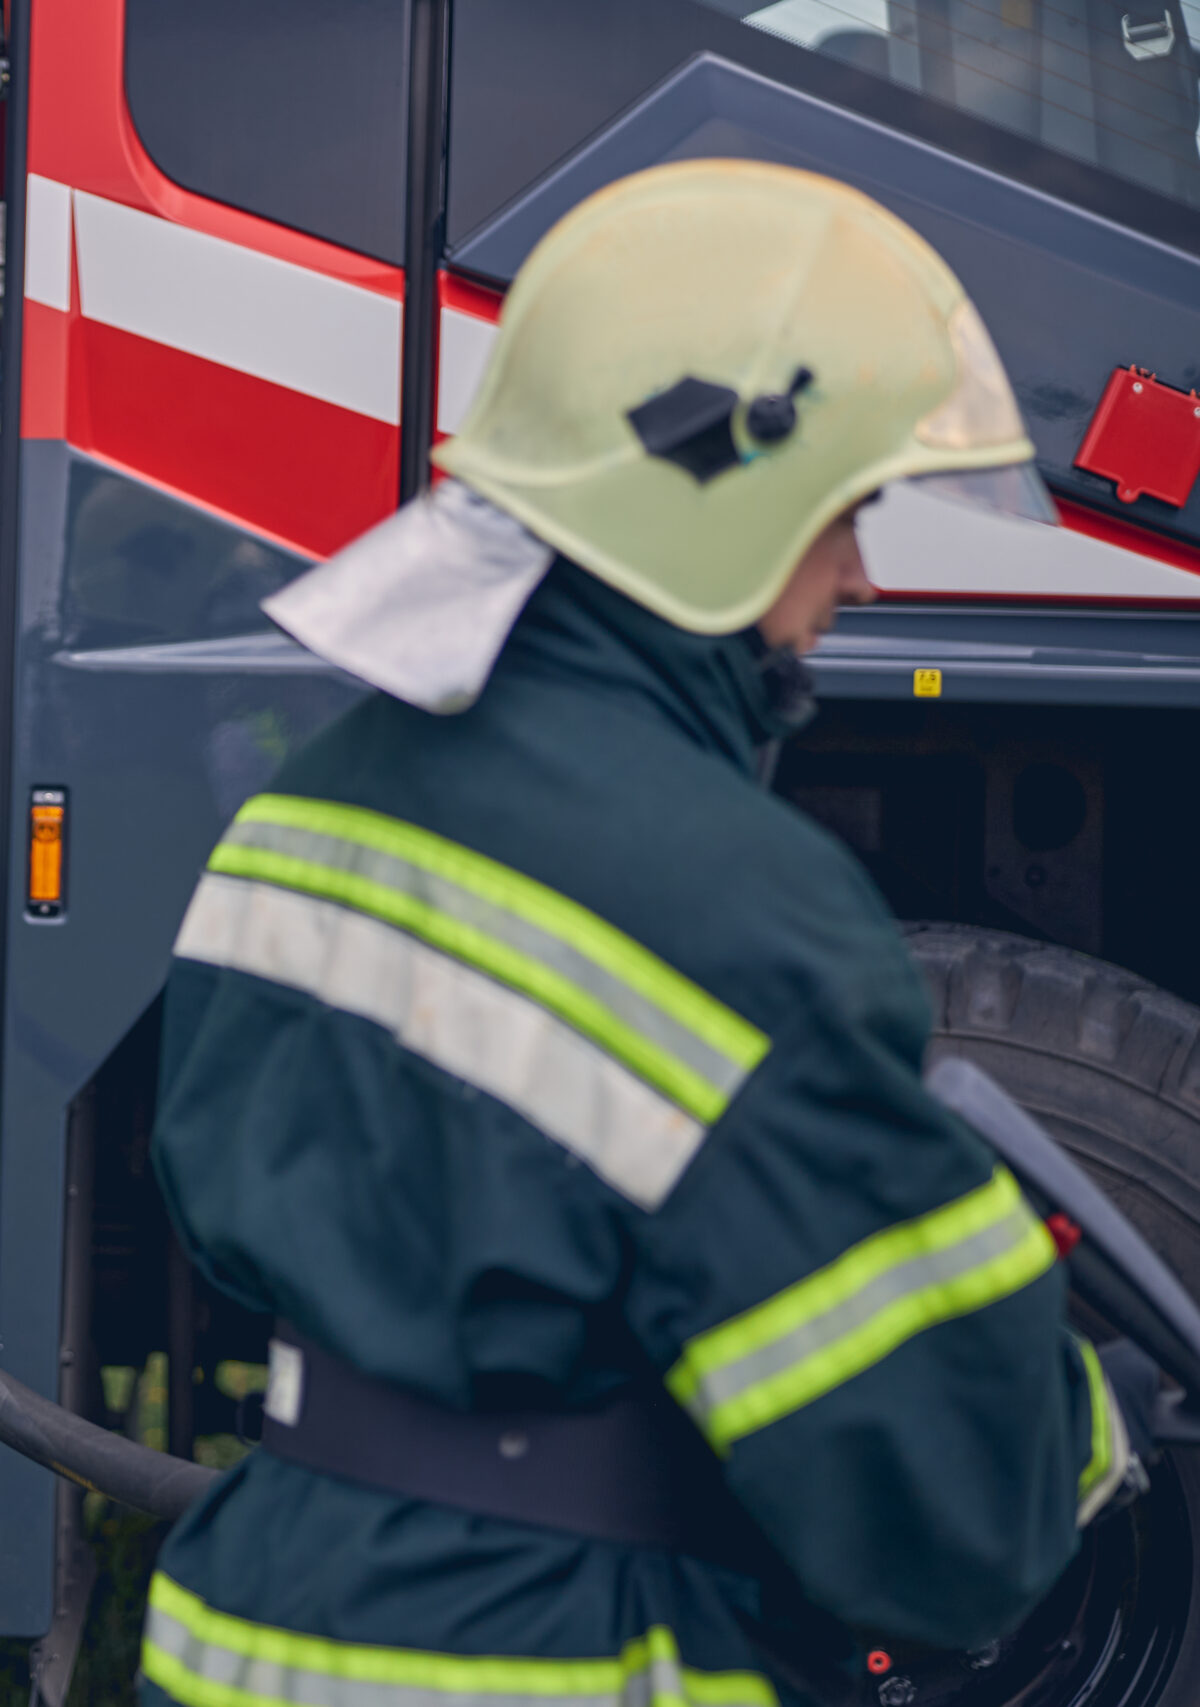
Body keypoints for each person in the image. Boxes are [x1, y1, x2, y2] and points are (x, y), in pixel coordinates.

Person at [142, 160, 1144, 1707]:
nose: (862, 579)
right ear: (721, 510)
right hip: (552, 1657)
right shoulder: (744, 913)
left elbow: (212, 1213)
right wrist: (1077, 1414)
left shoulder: (319, 800)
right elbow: (947, 1521)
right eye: (844, 514)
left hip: (263, 1625)